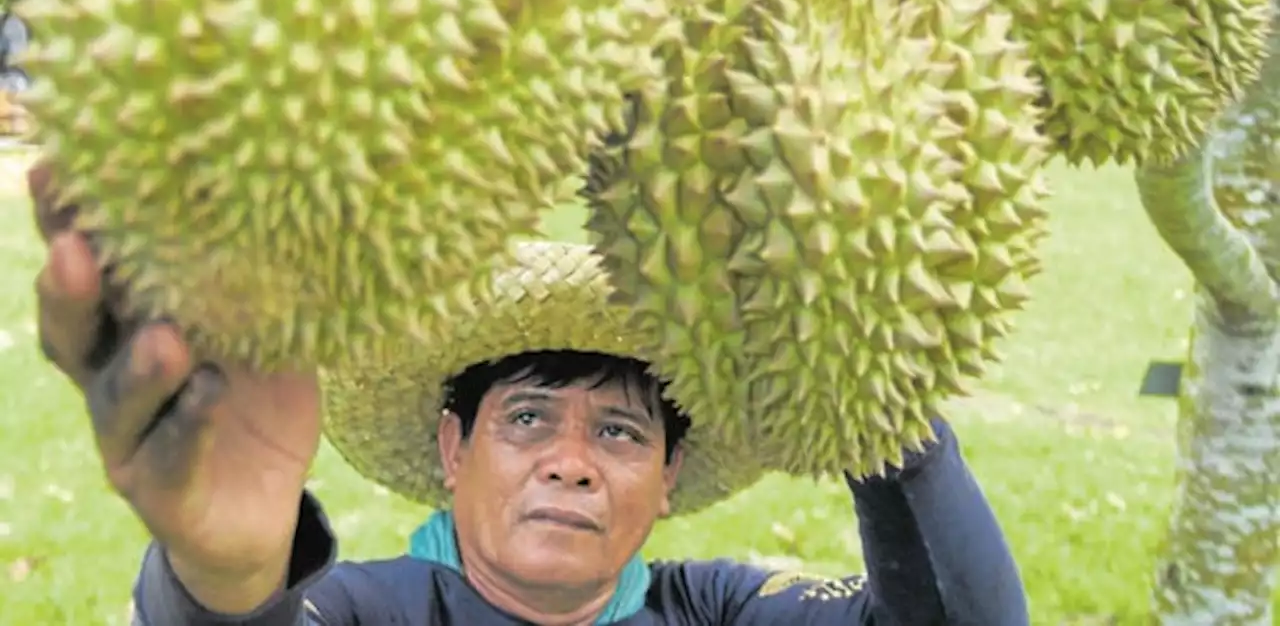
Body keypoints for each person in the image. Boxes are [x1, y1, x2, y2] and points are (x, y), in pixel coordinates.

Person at [29, 162, 1031, 626]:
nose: (569, 457)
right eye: (525, 417)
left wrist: (879, 392)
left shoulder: (711, 608)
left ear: (670, 477)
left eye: (621, 431)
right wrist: (221, 583)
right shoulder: (357, 607)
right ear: (452, 450)